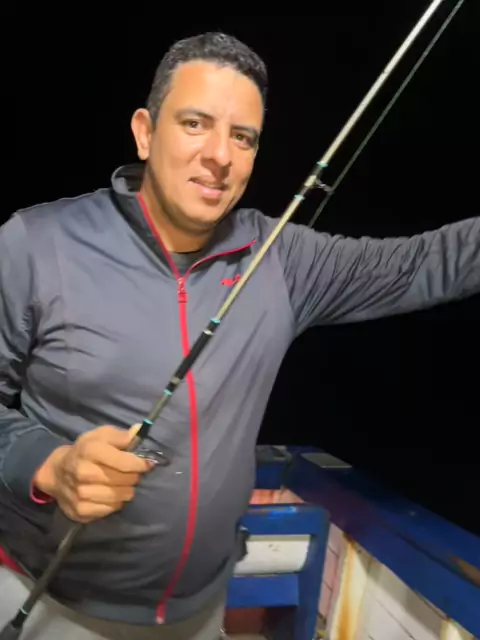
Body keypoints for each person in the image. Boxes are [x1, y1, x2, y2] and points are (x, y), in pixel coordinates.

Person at [0, 31, 478, 640]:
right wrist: (49, 464)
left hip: (201, 610)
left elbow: (427, 264)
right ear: (145, 132)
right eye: (195, 124)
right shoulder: (37, 244)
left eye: (243, 136)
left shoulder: (283, 259)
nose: (220, 155)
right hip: (49, 600)